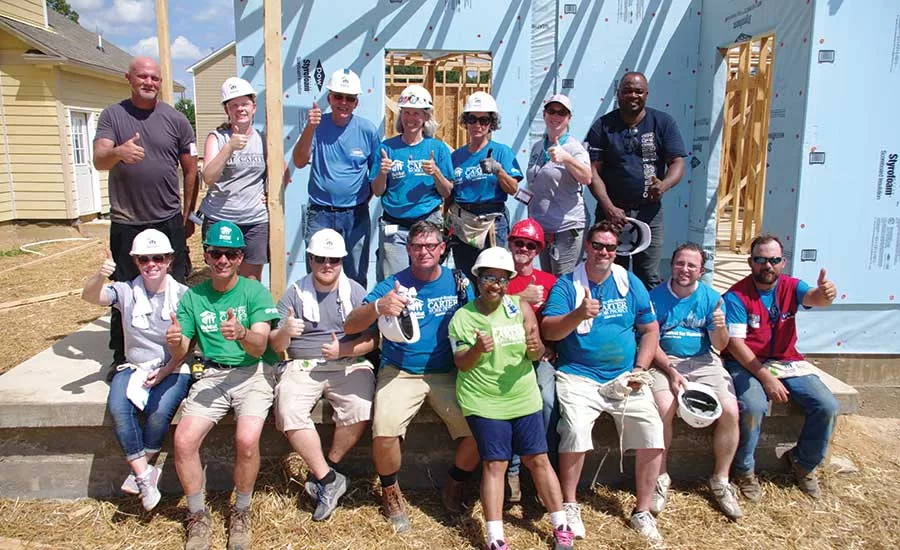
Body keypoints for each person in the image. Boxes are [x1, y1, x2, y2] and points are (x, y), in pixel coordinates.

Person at [344, 221, 478, 533]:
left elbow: (477, 319)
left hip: (445, 372)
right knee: (384, 431)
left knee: (482, 431)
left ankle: (454, 484)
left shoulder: (459, 282)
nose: (424, 252)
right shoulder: (392, 283)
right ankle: (390, 491)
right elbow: (351, 324)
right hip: (400, 371)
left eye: (431, 245)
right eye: (417, 246)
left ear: (442, 249)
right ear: (408, 250)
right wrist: (379, 306)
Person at [541, 221, 664, 543]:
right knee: (576, 429)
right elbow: (549, 331)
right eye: (598, 245)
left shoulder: (629, 282)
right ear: (587, 247)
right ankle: (570, 504)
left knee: (652, 428)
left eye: (610, 247)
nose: (604, 252)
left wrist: (640, 369)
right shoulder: (567, 285)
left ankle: (642, 510)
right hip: (579, 376)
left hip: (626, 376)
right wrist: (577, 315)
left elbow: (650, 330)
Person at [449, 247, 574, 550]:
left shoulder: (520, 308)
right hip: (483, 399)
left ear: (509, 283)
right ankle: (495, 537)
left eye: (502, 280)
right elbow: (460, 362)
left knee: (538, 459)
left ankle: (561, 527)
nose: (495, 285)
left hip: (522, 395)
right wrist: (477, 349)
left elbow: (536, 352)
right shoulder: (462, 318)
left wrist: (535, 347)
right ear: (478, 279)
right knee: (496, 463)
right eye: (489, 278)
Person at [166, 221, 281, 550]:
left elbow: (260, 346)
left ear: (241, 256)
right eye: (216, 253)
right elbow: (182, 347)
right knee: (184, 441)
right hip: (212, 375)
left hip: (253, 373)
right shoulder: (193, 296)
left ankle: (241, 511)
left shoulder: (254, 291)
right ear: (206, 254)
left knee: (246, 440)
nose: (223, 260)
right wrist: (175, 342)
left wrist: (242, 333)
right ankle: (197, 515)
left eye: (231, 254)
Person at [93, 56, 198, 372]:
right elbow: (99, 159)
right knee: (124, 288)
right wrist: (118, 153)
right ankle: (121, 356)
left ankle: (180, 355)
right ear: (129, 78)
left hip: (167, 218)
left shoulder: (176, 119)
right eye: (142, 77)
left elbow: (191, 170)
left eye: (155, 78)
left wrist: (187, 214)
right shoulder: (113, 115)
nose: (149, 83)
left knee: (176, 288)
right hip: (128, 220)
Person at [268, 229, 377, 521]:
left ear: (342, 261)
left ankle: (325, 470)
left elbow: (373, 340)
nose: (327, 265)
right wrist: (285, 333)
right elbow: (275, 345)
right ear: (310, 260)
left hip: (346, 363)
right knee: (288, 408)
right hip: (302, 364)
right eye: (320, 259)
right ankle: (329, 480)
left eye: (334, 260)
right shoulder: (294, 294)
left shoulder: (355, 291)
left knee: (359, 407)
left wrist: (345, 348)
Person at [723, 234, 839, 501]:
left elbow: (814, 297)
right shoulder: (736, 296)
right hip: (747, 362)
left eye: (774, 260)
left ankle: (803, 462)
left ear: (783, 262)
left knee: (828, 405)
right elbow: (737, 345)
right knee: (753, 407)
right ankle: (744, 470)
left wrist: (825, 294)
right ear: (750, 262)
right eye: (761, 259)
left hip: (786, 361)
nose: (768, 265)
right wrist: (766, 379)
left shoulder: (791, 287)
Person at [81, 229, 190, 511]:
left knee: (158, 412)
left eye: (158, 258)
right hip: (136, 365)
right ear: (136, 262)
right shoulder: (128, 291)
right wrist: (99, 275)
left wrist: (166, 370)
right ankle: (143, 475)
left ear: (169, 260)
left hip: (174, 365)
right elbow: (91, 296)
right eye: (144, 259)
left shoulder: (184, 295)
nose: (151, 264)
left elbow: (189, 347)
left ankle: (141, 472)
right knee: (119, 407)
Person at [648, 243, 742, 520]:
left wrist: (721, 327)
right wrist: (671, 371)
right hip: (665, 361)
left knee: (730, 410)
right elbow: (650, 342)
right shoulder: (654, 298)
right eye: (679, 263)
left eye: (691, 266)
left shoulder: (712, 299)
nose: (684, 270)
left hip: (704, 361)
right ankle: (660, 477)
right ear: (671, 265)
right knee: (664, 407)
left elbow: (720, 346)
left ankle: (720, 480)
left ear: (701, 271)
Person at [586, 71, 687, 289]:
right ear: (618, 94)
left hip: (648, 213)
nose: (633, 95)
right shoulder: (602, 126)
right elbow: (592, 171)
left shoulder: (663, 122)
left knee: (648, 275)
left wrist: (664, 185)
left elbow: (677, 162)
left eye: (638, 91)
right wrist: (609, 207)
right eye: (627, 91)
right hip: (611, 214)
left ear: (647, 94)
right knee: (607, 271)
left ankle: (647, 321)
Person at [292, 69, 380, 287]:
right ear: (329, 98)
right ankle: (319, 319)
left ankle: (354, 321)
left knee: (355, 276)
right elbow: (300, 161)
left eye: (349, 98)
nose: (343, 103)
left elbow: (375, 176)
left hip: (355, 214)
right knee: (318, 274)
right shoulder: (317, 126)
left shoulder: (367, 130)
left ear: (356, 102)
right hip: (320, 213)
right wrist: (310, 128)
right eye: (338, 97)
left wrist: (358, 202)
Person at [370, 85, 454, 280]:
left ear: (426, 117)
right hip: (395, 226)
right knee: (394, 281)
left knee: (426, 278)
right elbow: (377, 191)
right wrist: (382, 173)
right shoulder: (387, 148)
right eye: (406, 113)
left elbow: (446, 191)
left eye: (417, 114)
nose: (411, 119)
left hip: (428, 223)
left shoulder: (437, 148)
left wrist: (436, 173)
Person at [503, 218, 559, 502]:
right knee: (511, 404)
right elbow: (484, 311)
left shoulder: (550, 282)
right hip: (504, 358)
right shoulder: (498, 278)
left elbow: (558, 320)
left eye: (530, 245)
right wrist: (519, 296)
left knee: (547, 400)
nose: (523, 249)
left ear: (537, 251)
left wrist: (551, 346)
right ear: (510, 244)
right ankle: (512, 471)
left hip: (539, 358)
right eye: (518, 243)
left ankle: (542, 470)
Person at [198, 77, 269, 281]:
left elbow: (281, 173)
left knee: (251, 282)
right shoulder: (217, 138)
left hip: (254, 221)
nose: (240, 109)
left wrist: (268, 193)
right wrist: (229, 148)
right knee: (222, 279)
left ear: (253, 107)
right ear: (227, 110)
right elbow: (208, 177)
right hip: (221, 217)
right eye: (234, 105)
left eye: (244, 104)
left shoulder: (263, 139)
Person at [448, 92, 523, 283]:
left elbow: (513, 188)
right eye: (472, 119)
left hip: (492, 223)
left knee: (492, 274)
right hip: (462, 221)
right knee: (465, 277)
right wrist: (444, 222)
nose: (478, 125)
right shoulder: (456, 157)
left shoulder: (501, 152)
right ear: (465, 122)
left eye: (484, 120)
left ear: (492, 123)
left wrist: (498, 170)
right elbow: (449, 193)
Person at [526, 94, 592, 277]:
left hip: (566, 228)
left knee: (563, 282)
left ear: (569, 118)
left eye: (561, 112)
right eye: (551, 111)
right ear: (544, 114)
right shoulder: (538, 147)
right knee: (548, 280)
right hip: (543, 228)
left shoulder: (574, 148)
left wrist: (567, 159)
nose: (555, 116)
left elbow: (587, 177)